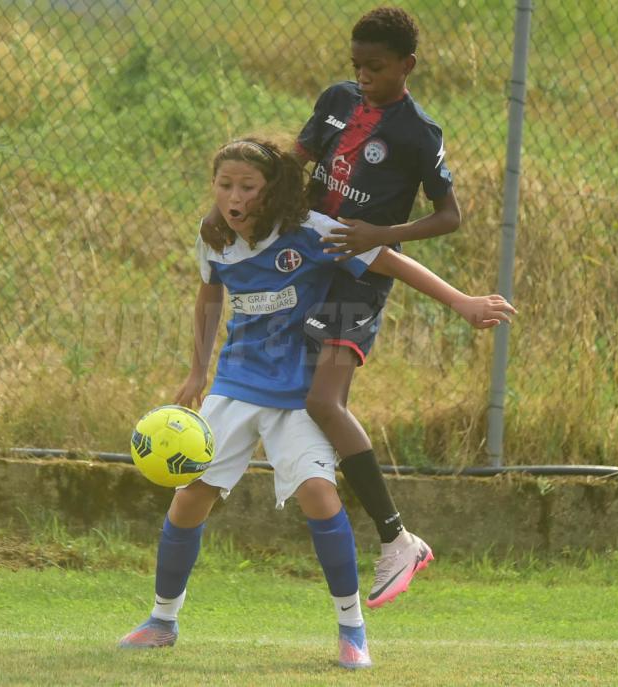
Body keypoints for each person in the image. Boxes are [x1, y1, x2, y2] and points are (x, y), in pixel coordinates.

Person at [119, 138, 514, 669]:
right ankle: (162, 620)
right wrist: (197, 370)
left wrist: (463, 302)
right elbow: (209, 294)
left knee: (318, 496)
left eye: (247, 186)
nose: (234, 197)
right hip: (235, 384)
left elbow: (391, 262)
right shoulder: (214, 238)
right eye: (224, 185)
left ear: (271, 190)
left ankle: (352, 630)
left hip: (298, 391)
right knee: (190, 496)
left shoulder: (311, 231)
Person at [201, 7, 462, 609]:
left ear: (407, 66)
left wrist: (382, 233)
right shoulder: (337, 100)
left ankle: (397, 539)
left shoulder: (418, 133)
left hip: (358, 280)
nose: (363, 76)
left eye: (377, 67)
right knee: (296, 389)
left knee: (323, 401)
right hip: (310, 261)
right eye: (357, 65)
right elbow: (290, 163)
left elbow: (449, 216)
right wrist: (228, 208)